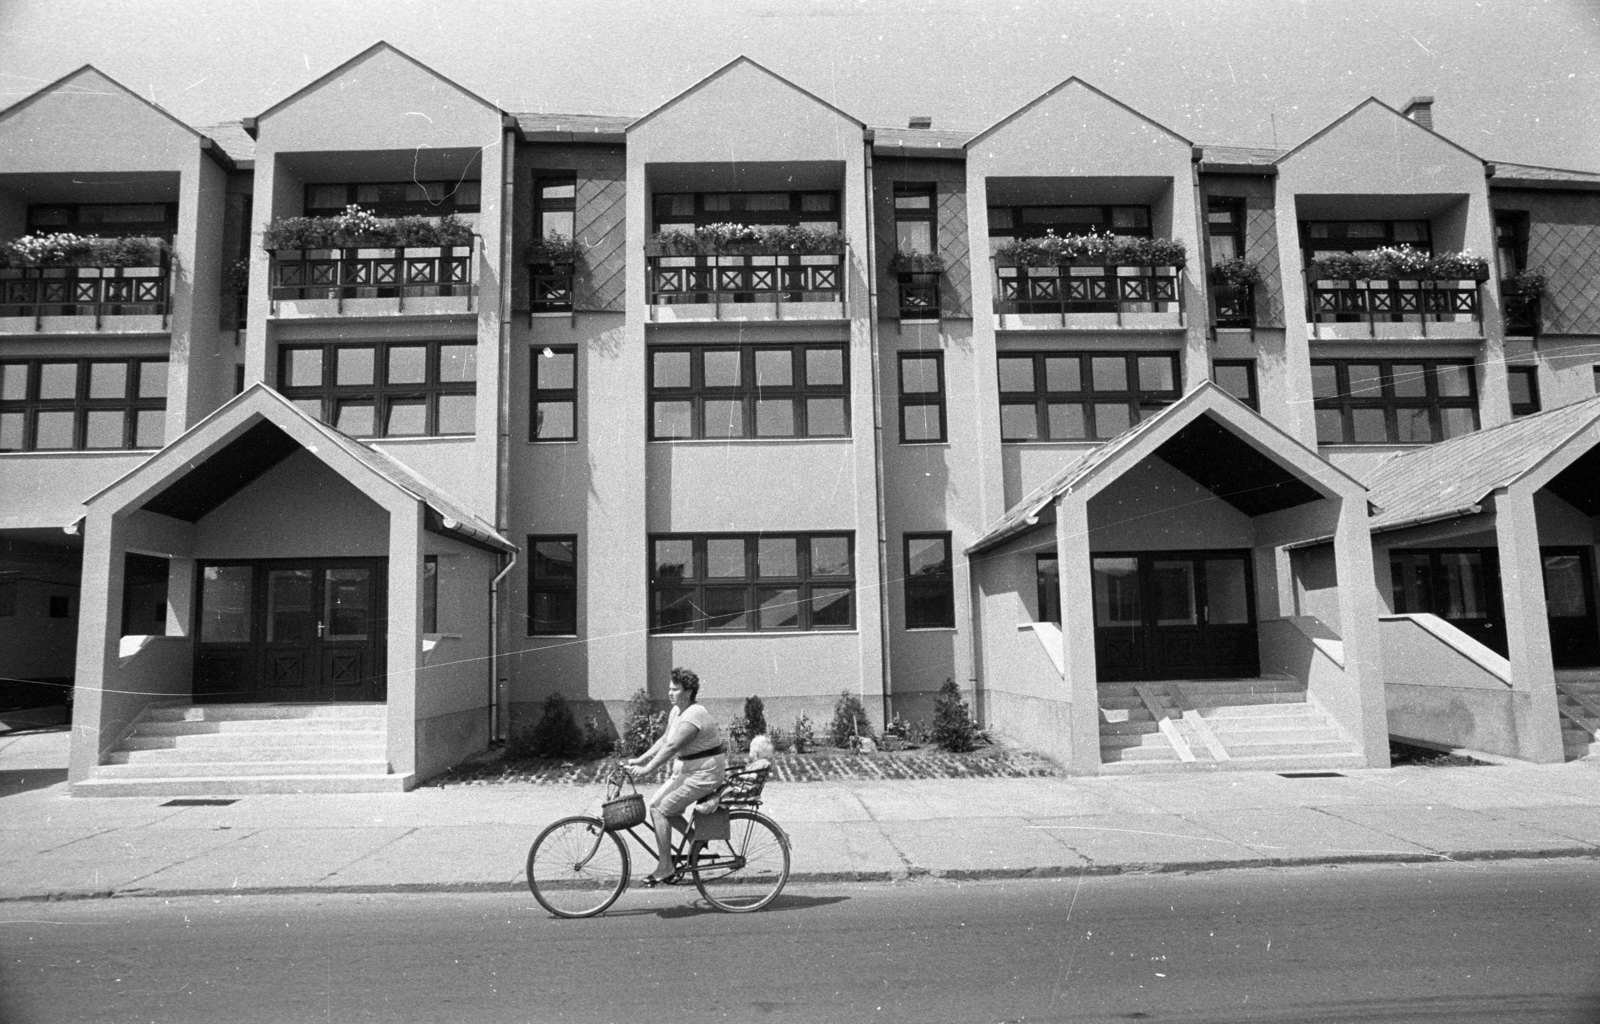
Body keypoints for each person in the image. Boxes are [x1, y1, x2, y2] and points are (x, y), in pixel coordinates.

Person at [624, 667, 727, 885]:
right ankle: (695, 840)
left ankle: (666, 866)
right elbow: (665, 740)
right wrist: (641, 759)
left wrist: (647, 770)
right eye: (670, 689)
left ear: (688, 692)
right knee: (659, 806)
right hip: (690, 770)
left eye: (676, 689)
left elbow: (673, 747)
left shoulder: (695, 714)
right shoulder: (677, 711)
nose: (670, 693)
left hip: (705, 773)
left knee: (659, 809)